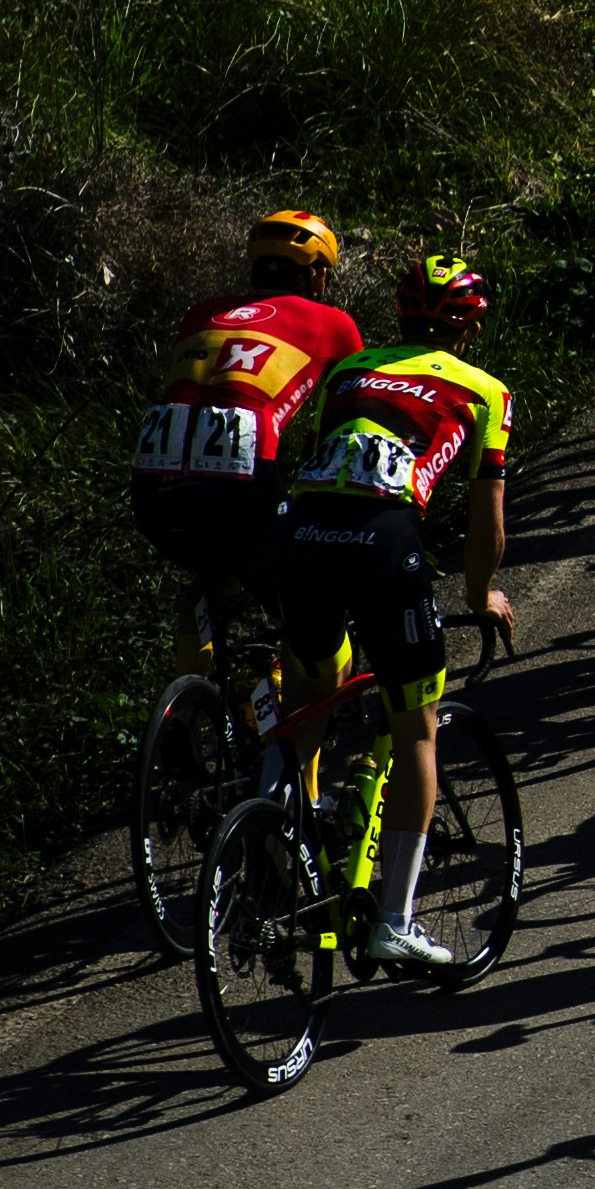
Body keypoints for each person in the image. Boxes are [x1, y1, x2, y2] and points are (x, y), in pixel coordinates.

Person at [269, 252, 516, 975]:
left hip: (303, 532)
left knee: (308, 695)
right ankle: (397, 921)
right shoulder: (484, 390)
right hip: (383, 541)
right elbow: (485, 524)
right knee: (416, 728)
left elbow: (322, 460)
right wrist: (479, 596)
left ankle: (272, 843)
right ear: (468, 329)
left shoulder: (349, 371)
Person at [133, 211, 367, 689]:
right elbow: (350, 420)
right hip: (242, 483)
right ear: (318, 274)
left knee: (212, 574)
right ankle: (303, 758)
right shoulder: (333, 322)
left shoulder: (200, 314)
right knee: (305, 610)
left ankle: (186, 713)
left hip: (152, 485)